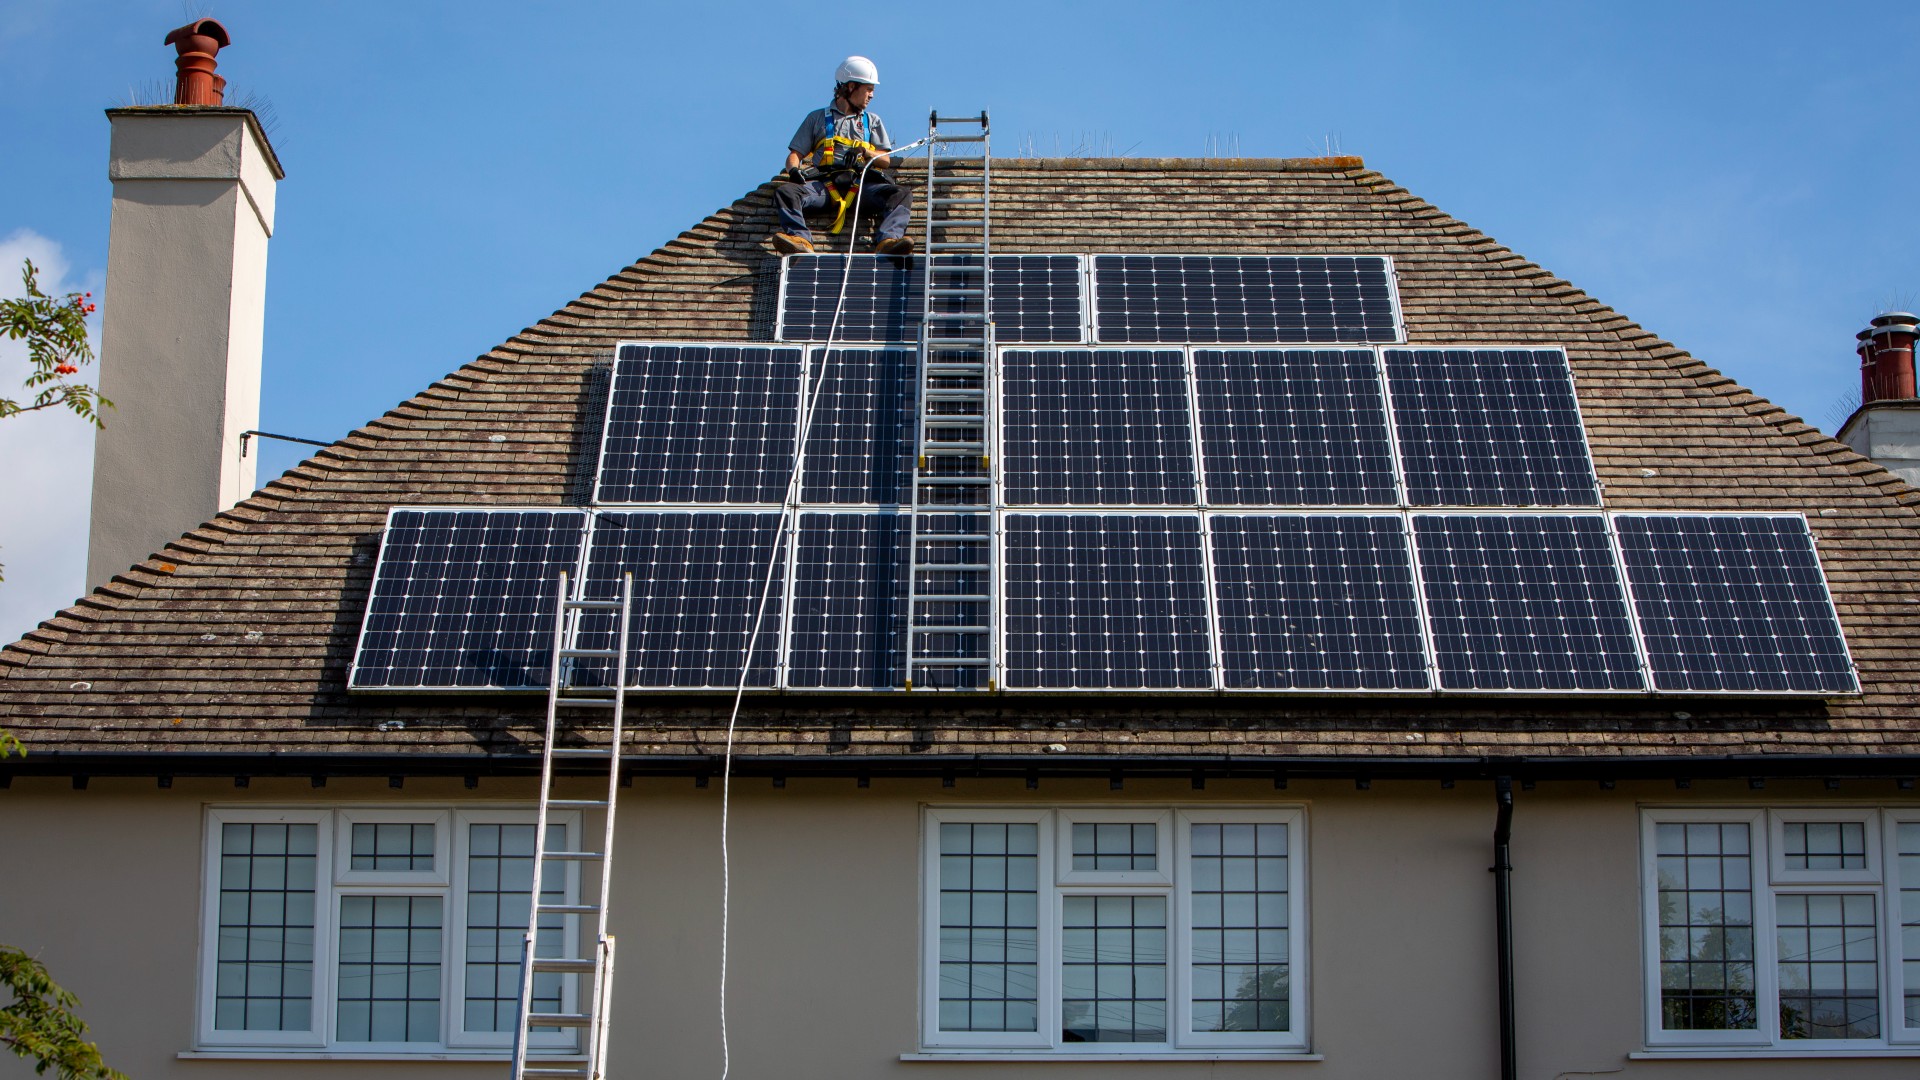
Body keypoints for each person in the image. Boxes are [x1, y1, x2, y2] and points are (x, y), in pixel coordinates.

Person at [771, 56, 914, 258]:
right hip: (826, 185)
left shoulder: (871, 121)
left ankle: (888, 240)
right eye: (869, 89)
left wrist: (865, 152)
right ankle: (800, 239)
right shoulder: (817, 118)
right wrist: (793, 170)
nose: (872, 95)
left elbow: (885, 160)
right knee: (786, 192)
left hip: (861, 185)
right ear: (851, 87)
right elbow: (795, 155)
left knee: (901, 193)